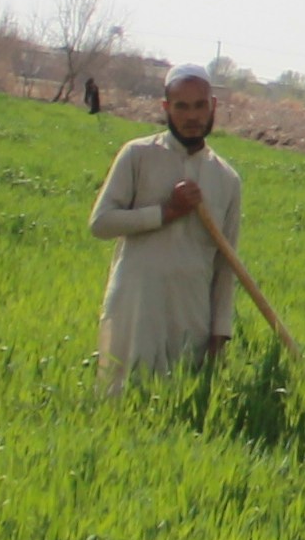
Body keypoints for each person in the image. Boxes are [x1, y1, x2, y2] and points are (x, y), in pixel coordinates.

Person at [85, 69, 244, 387]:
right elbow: (101, 223)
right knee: (123, 395)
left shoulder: (227, 179)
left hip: (191, 314)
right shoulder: (138, 155)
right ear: (166, 107)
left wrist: (219, 333)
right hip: (136, 306)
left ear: (213, 106)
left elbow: (226, 265)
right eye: (181, 106)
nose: (192, 116)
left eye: (199, 106)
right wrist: (166, 212)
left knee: (177, 399)